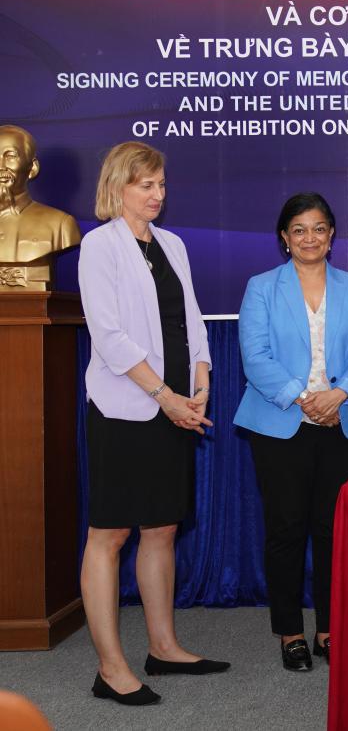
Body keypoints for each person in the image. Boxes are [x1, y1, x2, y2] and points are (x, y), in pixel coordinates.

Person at [77, 142, 227, 707]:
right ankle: (110, 667)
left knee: (162, 526)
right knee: (110, 534)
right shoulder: (99, 246)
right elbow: (110, 337)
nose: (158, 195)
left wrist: (202, 379)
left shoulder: (172, 245)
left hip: (174, 404)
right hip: (126, 408)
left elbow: (191, 320)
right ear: (119, 187)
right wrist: (165, 394)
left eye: (162, 185)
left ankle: (162, 647)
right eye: (147, 185)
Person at [234, 192, 348, 672]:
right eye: (299, 229)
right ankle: (291, 633)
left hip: (344, 421)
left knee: (332, 530)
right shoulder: (261, 287)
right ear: (284, 237)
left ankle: (329, 630)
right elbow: (255, 356)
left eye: (319, 228)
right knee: (286, 529)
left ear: (332, 234)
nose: (310, 238)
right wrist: (305, 399)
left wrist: (339, 396)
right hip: (280, 424)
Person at [0, 123, 81, 289]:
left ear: (32, 168)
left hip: (36, 310)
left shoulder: (61, 226)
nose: (1, 166)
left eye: (10, 156)